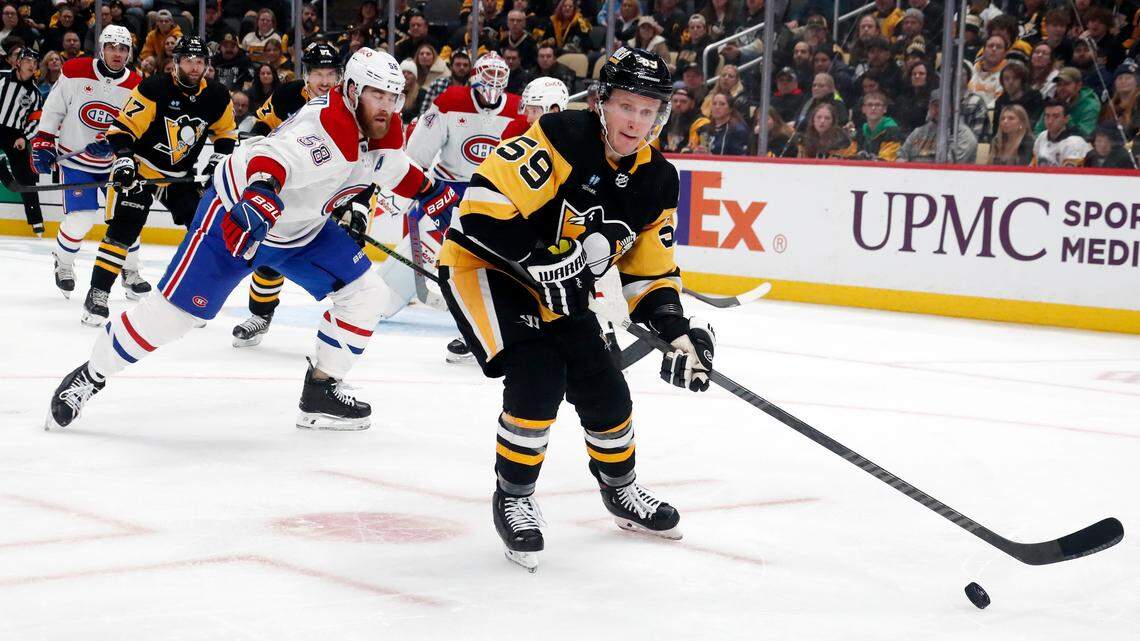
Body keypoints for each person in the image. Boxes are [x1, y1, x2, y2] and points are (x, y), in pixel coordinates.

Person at [45, 48, 457, 434]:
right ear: (352, 90)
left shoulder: (382, 125)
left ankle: (320, 391)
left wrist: (429, 191)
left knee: (366, 294)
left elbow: (390, 165)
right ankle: (90, 375)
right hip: (239, 216)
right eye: (376, 94)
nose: (386, 106)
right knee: (172, 317)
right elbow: (273, 157)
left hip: (301, 229)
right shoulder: (327, 128)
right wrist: (259, 193)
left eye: (393, 96)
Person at [437, 46, 712, 572]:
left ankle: (621, 490)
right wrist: (546, 263)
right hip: (485, 268)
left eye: (649, 110)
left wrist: (678, 333)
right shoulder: (562, 136)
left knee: (605, 386)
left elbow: (648, 275)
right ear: (602, 102)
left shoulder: (657, 180)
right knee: (538, 376)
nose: (637, 121)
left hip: (555, 283)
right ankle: (513, 494)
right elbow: (480, 214)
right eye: (627, 106)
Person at [76, 36, 237, 326]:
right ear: (176, 63)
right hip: (142, 168)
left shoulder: (217, 95)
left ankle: (191, 295)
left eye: (199, 61)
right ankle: (97, 293)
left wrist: (217, 161)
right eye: (188, 60)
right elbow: (123, 129)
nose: (194, 66)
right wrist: (125, 159)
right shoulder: (154, 88)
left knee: (202, 231)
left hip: (180, 176)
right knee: (123, 230)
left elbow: (225, 134)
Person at [403, 51, 529, 363]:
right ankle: (386, 296)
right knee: (420, 246)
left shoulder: (519, 108)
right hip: (449, 189)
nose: (493, 84)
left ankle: (480, 330)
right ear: (474, 76)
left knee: (491, 265)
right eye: (488, 76)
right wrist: (419, 188)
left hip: (496, 193)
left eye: (499, 77)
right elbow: (417, 153)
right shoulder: (450, 101)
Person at [230, 42, 346, 347]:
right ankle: (261, 315)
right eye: (318, 73)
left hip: (336, 191)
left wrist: (357, 207)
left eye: (331, 74)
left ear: (341, 75)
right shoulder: (288, 95)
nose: (324, 81)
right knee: (271, 251)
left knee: (344, 266)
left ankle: (348, 324)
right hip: (295, 190)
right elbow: (260, 127)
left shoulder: (349, 105)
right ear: (307, 74)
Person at [31, 26, 141, 300]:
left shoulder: (137, 84)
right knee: (80, 219)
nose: (118, 54)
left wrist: (119, 144)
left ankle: (131, 271)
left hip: (116, 163)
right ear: (102, 48)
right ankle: (64, 263)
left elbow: (140, 126)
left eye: (123, 49)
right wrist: (44, 139)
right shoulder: (76, 69)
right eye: (113, 47)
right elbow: (55, 107)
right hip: (76, 159)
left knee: (128, 217)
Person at [0, 46, 41, 235]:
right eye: (27, 61)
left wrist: (25, 137)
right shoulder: (1, 77)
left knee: (26, 177)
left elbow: (36, 120)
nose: (31, 65)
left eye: (34, 62)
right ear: (17, 63)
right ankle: (2, 170)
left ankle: (36, 221)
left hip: (15, 135)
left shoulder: (35, 93)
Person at [897, 90, 978, 163]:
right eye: (935, 105)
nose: (939, 109)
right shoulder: (918, 132)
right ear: (929, 107)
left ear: (953, 108)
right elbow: (901, 156)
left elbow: (949, 165)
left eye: (944, 105)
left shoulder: (964, 135)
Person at [1033, 67, 1099, 138]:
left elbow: (1084, 134)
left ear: (1078, 86)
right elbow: (1038, 131)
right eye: (1059, 85)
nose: (1061, 88)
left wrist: (1066, 115)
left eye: (1066, 84)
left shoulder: (1090, 105)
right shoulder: (1055, 103)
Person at [1032, 98, 1091, 166]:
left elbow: (1069, 175)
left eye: (1056, 116)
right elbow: (1034, 167)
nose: (1050, 121)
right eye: (1047, 116)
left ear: (1066, 119)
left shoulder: (1074, 143)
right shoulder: (1042, 136)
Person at [419, 49, 473, 116]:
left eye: (465, 65)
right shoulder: (437, 85)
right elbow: (423, 114)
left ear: (470, 68)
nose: (462, 68)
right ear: (451, 67)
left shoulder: (473, 88)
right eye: (458, 64)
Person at [695, 90, 749, 155]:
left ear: (730, 109)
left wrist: (712, 157)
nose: (717, 107)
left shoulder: (738, 130)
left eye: (722, 104)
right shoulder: (705, 128)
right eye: (714, 104)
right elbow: (703, 149)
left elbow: (739, 160)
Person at [853, 91, 902, 161]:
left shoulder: (892, 131)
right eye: (869, 105)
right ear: (863, 109)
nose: (873, 108)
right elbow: (850, 154)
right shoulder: (861, 130)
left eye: (878, 105)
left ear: (885, 109)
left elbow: (886, 159)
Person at [658, 86, 708, 152]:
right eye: (675, 101)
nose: (678, 104)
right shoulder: (663, 119)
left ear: (692, 103)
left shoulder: (701, 122)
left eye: (683, 101)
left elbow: (695, 147)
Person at [993, 60, 1044, 125]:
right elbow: (996, 128)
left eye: (1015, 78)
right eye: (1006, 79)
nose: (1010, 82)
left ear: (1022, 81)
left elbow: (1036, 123)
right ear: (1002, 82)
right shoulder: (1000, 101)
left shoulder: (1034, 97)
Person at [1100, 63, 1140, 140]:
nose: (1123, 81)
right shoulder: (1107, 108)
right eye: (1119, 78)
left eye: (1128, 78)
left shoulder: (1138, 104)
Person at [970, 34, 1007, 108]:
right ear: (983, 51)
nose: (994, 49)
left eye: (999, 47)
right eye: (990, 46)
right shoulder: (971, 70)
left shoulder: (1007, 73)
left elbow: (999, 103)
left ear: (1005, 53)